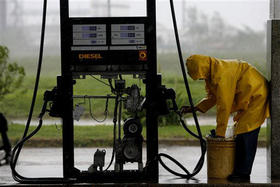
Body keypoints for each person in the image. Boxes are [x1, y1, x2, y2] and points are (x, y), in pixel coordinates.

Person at [181, 54, 270, 181]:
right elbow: (214, 97)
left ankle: (243, 174)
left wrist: (220, 134)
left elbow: (224, 105)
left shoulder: (222, 74)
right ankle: (240, 170)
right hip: (250, 94)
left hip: (257, 94)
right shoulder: (213, 71)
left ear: (204, 68)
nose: (202, 79)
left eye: (201, 76)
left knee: (246, 131)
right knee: (241, 131)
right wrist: (195, 108)